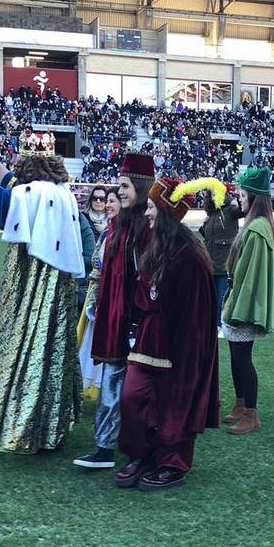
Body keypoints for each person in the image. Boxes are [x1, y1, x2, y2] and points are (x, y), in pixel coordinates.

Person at [0, 123, 84, 454]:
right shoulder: (59, 194)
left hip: (30, 292)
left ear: (25, 163)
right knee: (53, 354)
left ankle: (24, 428)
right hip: (59, 294)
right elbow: (11, 185)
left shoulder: (29, 197)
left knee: (26, 352)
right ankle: (54, 426)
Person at [115, 177, 221, 491]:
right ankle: (142, 453)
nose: (145, 213)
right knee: (133, 398)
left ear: (165, 212)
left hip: (180, 346)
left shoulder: (191, 257)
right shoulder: (154, 246)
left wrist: (187, 358)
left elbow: (197, 315)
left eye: (150, 207)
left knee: (175, 404)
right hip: (148, 339)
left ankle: (172, 462)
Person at [72, 152, 153, 470]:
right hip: (115, 320)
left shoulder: (148, 228)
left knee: (135, 392)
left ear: (141, 186)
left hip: (138, 325)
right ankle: (104, 448)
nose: (117, 193)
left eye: (124, 186)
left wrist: (137, 320)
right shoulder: (118, 227)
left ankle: (139, 449)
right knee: (110, 384)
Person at [221, 166, 274, 435]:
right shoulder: (256, 226)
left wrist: (236, 306)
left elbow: (247, 274)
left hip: (245, 305)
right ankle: (240, 403)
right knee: (237, 357)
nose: (239, 200)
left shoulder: (257, 229)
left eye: (243, 195)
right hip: (242, 301)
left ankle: (251, 413)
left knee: (242, 359)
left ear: (254, 197)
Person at [77, 188, 120, 400]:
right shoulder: (96, 225)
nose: (103, 203)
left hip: (109, 297)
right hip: (94, 293)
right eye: (99, 199)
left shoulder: (120, 231)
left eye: (109, 200)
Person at [199, 181, 244, 324]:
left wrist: (239, 196)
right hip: (210, 264)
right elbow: (208, 237)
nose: (214, 196)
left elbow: (243, 210)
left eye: (216, 193)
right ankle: (212, 324)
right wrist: (204, 226)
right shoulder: (211, 214)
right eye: (211, 194)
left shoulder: (231, 210)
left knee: (222, 297)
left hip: (224, 264)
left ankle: (222, 324)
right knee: (210, 297)